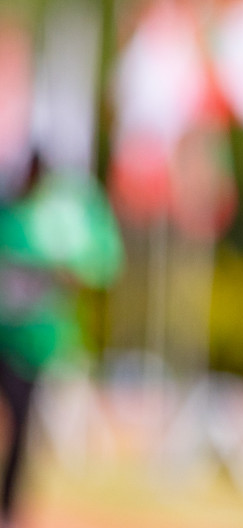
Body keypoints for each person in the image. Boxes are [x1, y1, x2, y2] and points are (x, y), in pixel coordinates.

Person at [0, 151, 122, 527]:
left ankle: (9, 508)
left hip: (28, 345)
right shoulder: (15, 220)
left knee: (21, 427)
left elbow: (98, 266)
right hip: (14, 338)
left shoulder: (52, 225)